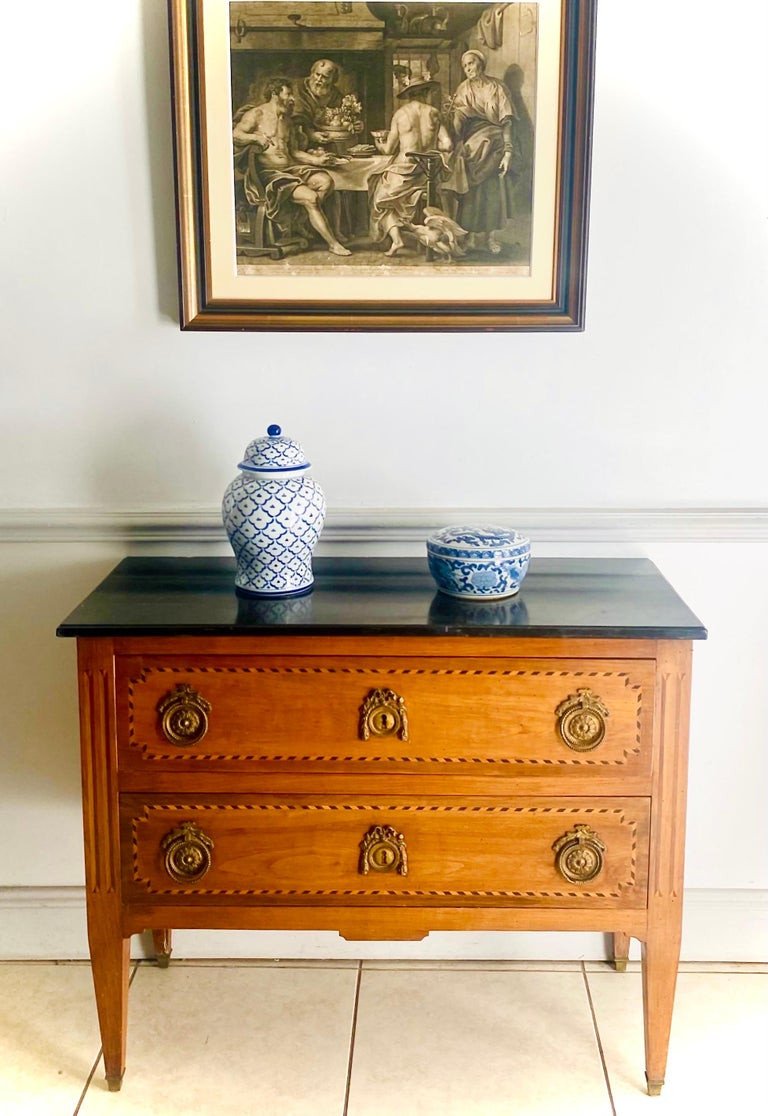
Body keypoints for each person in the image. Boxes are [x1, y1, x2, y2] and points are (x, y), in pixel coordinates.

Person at [232, 78, 351, 257]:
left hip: (290, 169)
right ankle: (333, 244)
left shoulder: (286, 120)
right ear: (275, 94)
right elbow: (235, 134)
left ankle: (298, 222)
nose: (292, 99)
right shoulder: (257, 114)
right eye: (288, 94)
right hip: (268, 175)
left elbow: (294, 152)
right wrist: (256, 138)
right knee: (311, 198)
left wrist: (317, 161)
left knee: (326, 181)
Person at [368, 80, 453, 257]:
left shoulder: (400, 114)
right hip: (425, 174)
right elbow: (448, 144)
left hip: (403, 172)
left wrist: (378, 141)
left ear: (409, 95)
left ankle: (397, 239)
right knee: (389, 196)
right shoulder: (434, 113)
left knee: (379, 198)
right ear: (425, 93)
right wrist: (430, 150)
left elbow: (388, 150)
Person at [449, 49, 519, 253]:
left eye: (472, 63)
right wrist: (454, 119)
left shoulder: (497, 87)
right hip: (472, 145)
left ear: (481, 63)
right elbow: (458, 122)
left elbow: (506, 121)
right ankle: (469, 236)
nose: (469, 68)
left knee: (492, 191)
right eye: (465, 66)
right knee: (470, 191)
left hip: (495, 143)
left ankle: (490, 238)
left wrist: (508, 152)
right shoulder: (463, 89)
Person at [291, 59, 344, 147]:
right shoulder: (297, 88)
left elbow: (344, 115)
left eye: (325, 77)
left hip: (327, 141)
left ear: (332, 79)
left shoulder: (335, 95)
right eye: (317, 74)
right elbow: (294, 119)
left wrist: (354, 123)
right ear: (312, 73)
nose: (319, 79)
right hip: (298, 141)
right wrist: (310, 134)